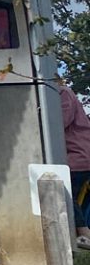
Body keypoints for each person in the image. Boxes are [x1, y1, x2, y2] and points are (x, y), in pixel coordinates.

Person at [59, 81, 90, 250]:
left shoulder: (63, 93)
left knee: (62, 190)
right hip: (77, 154)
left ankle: (84, 233)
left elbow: (59, 122)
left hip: (79, 155)